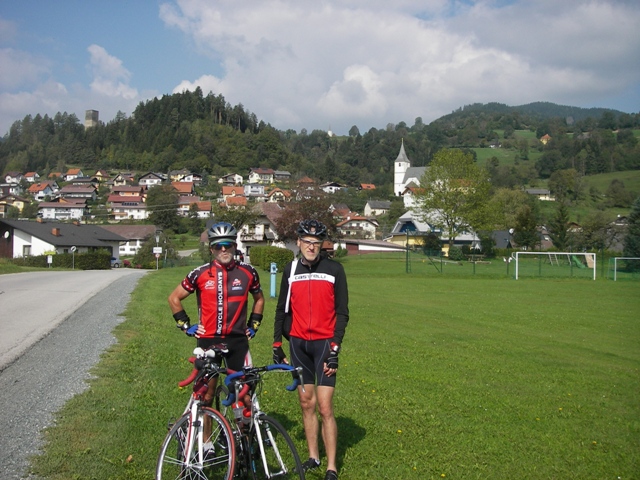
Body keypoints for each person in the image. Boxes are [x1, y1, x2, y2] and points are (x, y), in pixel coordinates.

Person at [273, 219, 349, 480]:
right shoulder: (291, 269)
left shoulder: (334, 269)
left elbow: (342, 313)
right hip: (298, 344)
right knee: (307, 403)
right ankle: (313, 457)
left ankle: (332, 467)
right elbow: (281, 309)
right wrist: (276, 344)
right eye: (307, 242)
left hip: (325, 344)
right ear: (299, 242)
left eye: (316, 243)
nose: (311, 247)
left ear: (322, 245)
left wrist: (335, 348)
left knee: (325, 407)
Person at [168, 221, 264, 409]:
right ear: (211, 249)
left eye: (227, 245)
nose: (223, 249)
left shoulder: (248, 272)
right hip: (208, 340)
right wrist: (185, 326)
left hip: (237, 340)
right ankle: (207, 429)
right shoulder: (200, 273)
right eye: (218, 246)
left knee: (245, 395)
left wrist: (254, 325)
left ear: (234, 246)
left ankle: (243, 429)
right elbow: (174, 298)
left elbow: (259, 299)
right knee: (206, 395)